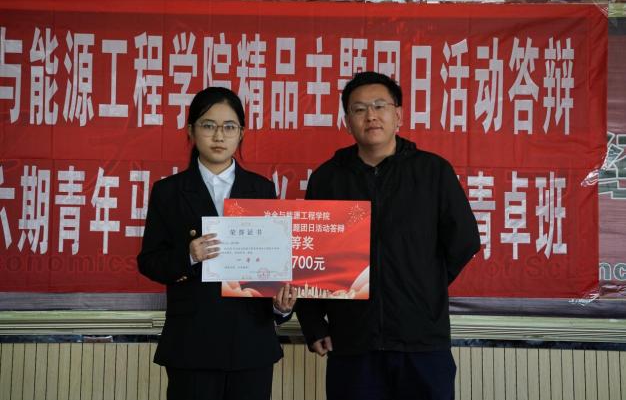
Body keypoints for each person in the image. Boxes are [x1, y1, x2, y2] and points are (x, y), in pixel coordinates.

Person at [296, 71, 480, 400]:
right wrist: (313, 322)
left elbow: (464, 240)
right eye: (359, 109)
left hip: (421, 342)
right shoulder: (328, 179)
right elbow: (310, 254)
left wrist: (424, 283)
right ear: (347, 122)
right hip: (353, 342)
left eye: (380, 106)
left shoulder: (433, 172)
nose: (371, 115)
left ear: (399, 115)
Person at [137, 86, 296, 400]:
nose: (219, 136)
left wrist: (280, 307)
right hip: (192, 341)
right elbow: (149, 261)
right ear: (191, 131)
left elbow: (270, 264)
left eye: (229, 127)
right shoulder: (168, 191)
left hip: (251, 340)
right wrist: (188, 256)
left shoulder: (262, 189)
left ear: (241, 133)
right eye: (208, 125)